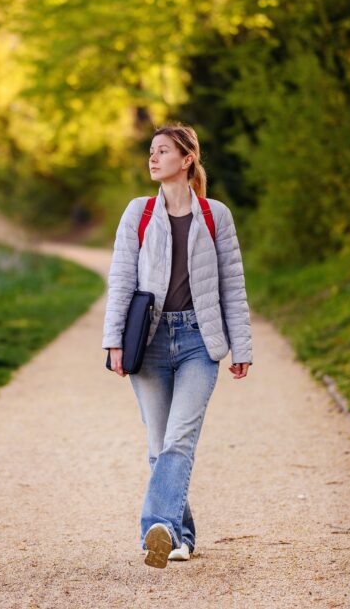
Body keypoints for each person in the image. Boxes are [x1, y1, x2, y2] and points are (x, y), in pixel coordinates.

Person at [102, 122, 253, 569]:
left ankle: (157, 528)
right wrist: (113, 341)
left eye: (163, 150)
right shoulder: (139, 212)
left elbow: (233, 285)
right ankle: (180, 538)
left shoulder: (215, 215)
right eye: (151, 150)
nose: (153, 157)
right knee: (159, 445)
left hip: (198, 341)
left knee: (179, 440)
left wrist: (241, 346)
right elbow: (121, 279)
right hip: (148, 341)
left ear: (187, 159)